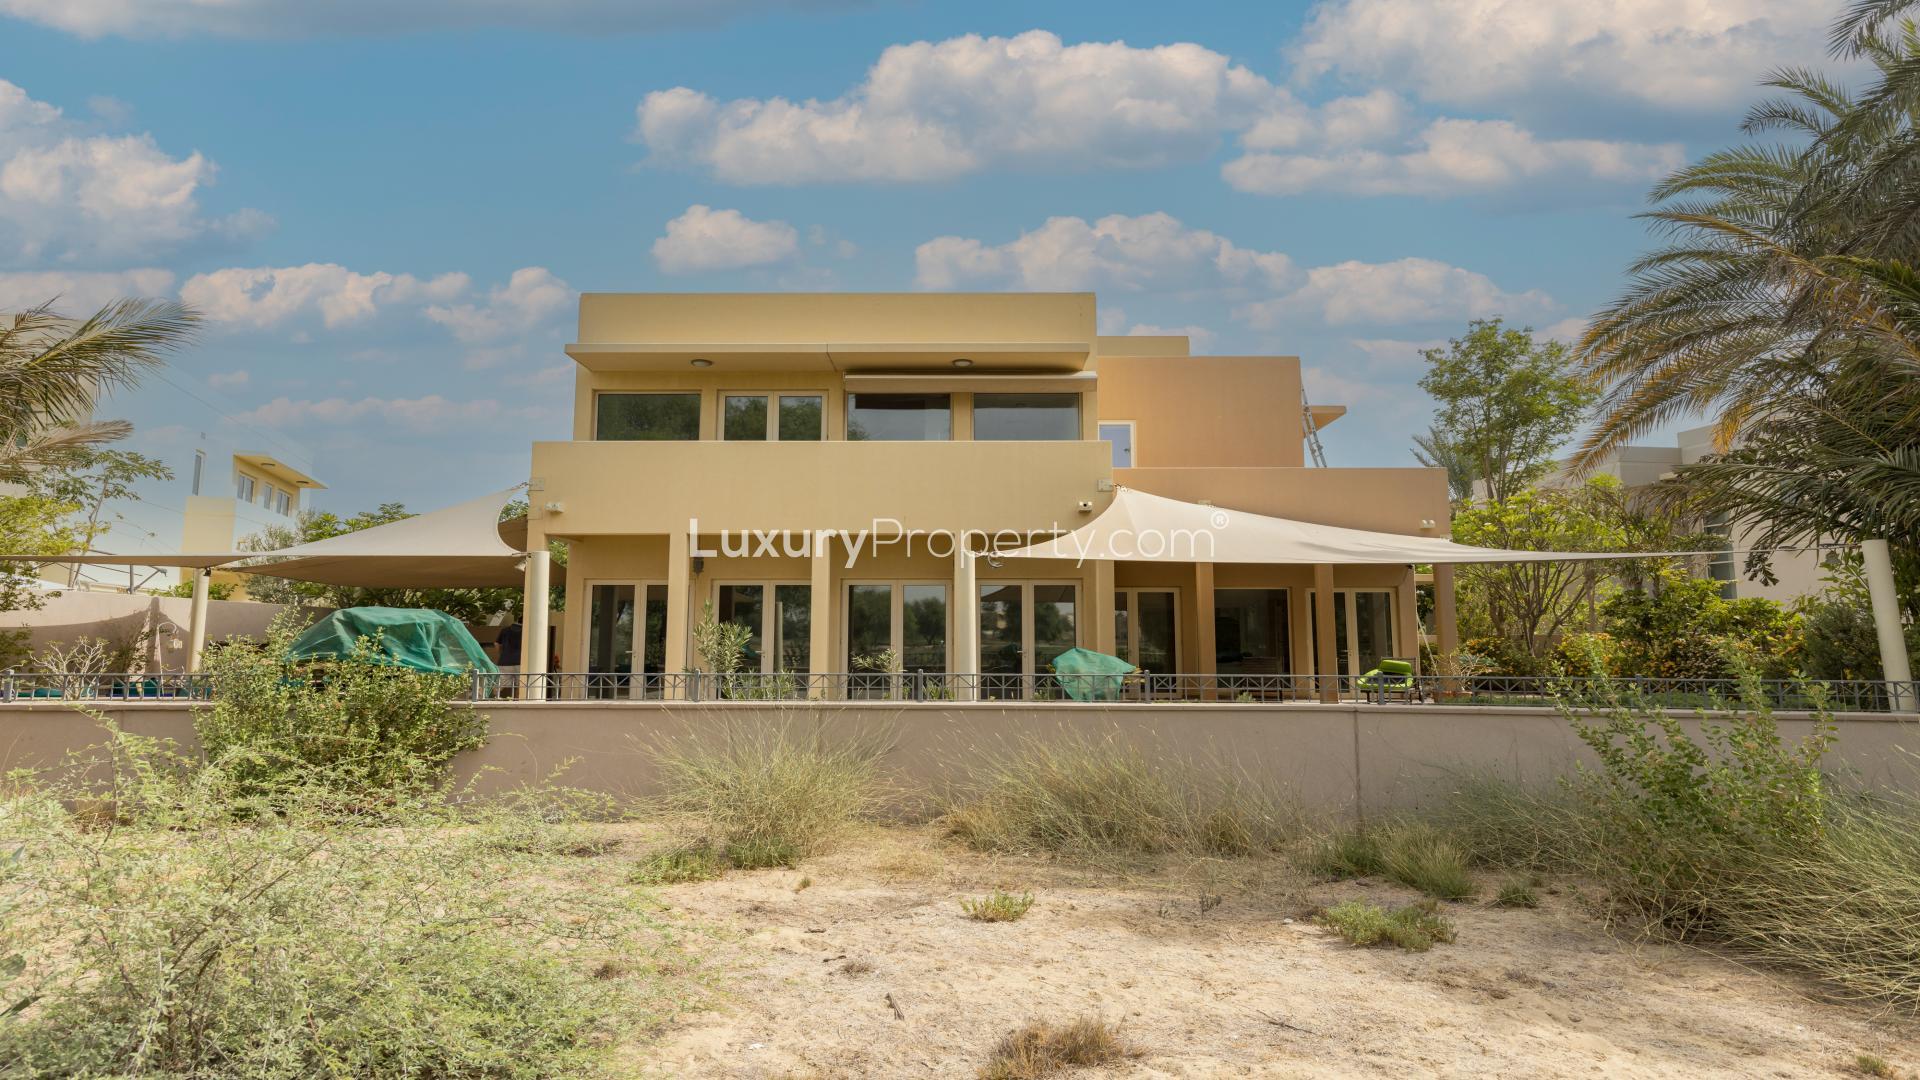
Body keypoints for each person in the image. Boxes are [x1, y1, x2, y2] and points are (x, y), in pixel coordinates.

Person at [494, 619, 523, 698]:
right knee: (521, 685)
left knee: (500, 684)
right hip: (521, 663)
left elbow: (496, 644)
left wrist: (501, 654)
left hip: (504, 662)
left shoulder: (505, 630)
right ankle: (519, 702)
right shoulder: (526, 631)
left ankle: (493, 699)